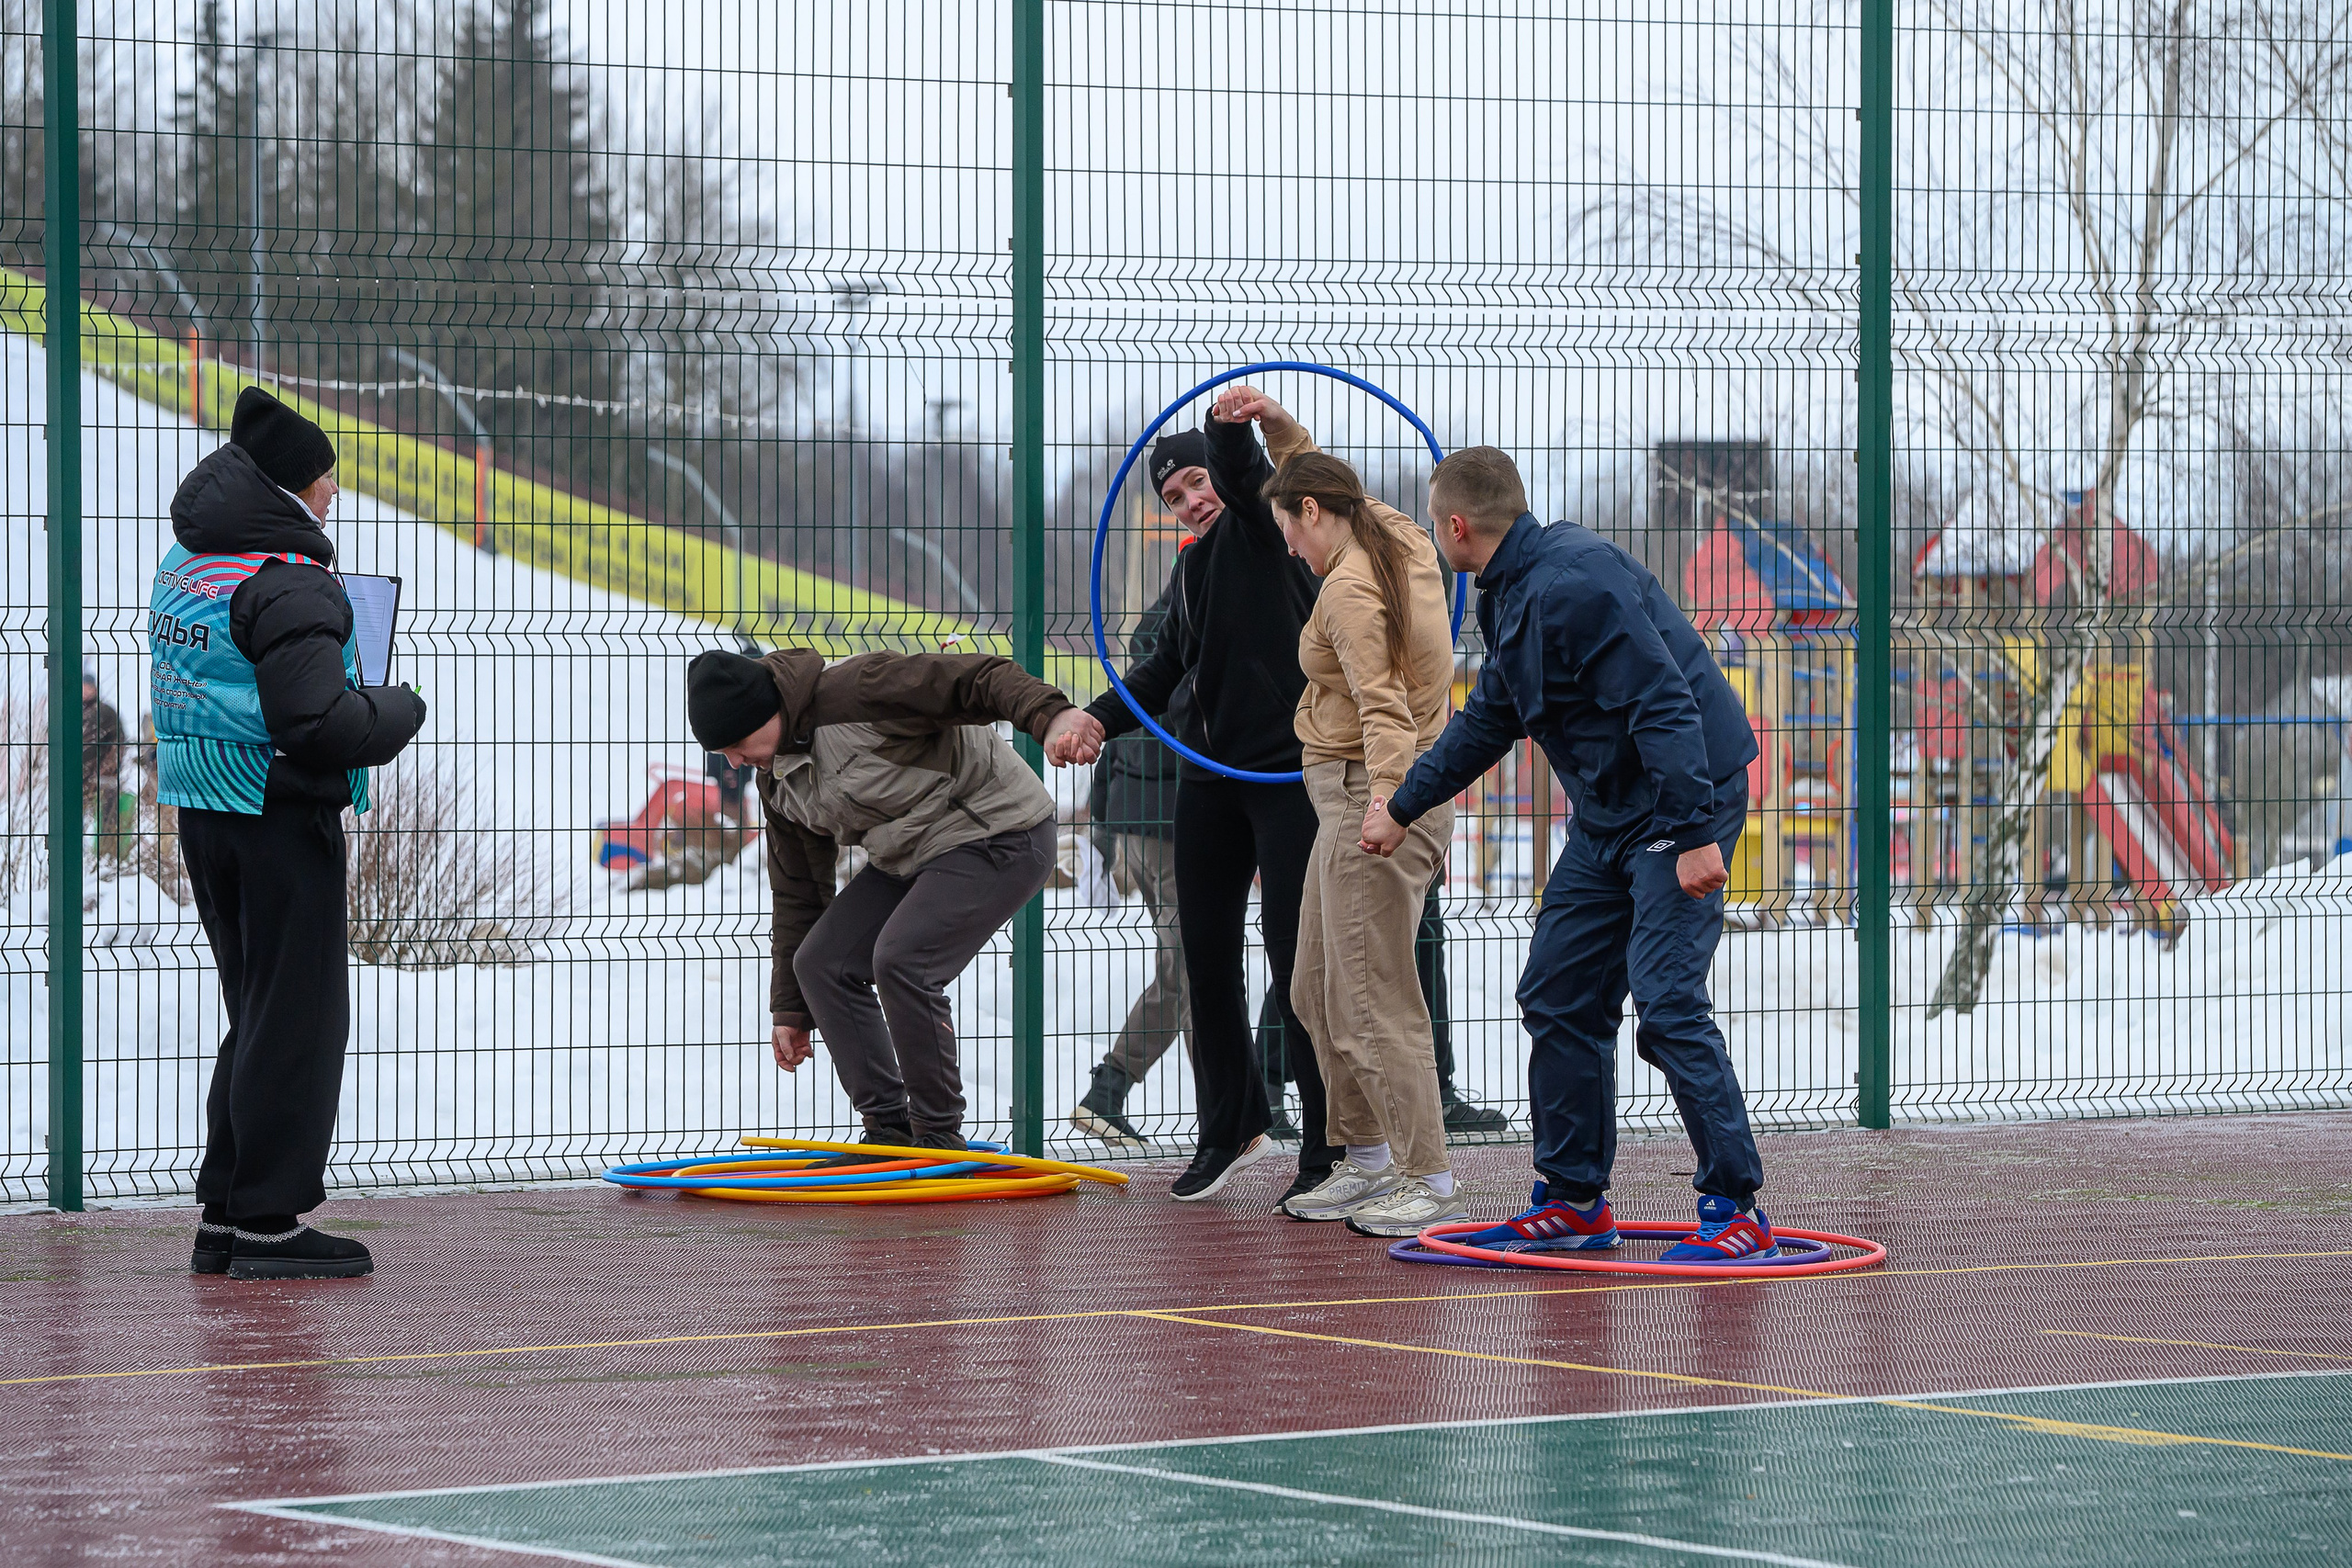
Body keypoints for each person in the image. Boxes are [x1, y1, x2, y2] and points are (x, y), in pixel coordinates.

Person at [1363, 446, 1773, 1261]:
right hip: (1610, 811)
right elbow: (1489, 719)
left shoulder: (1575, 582)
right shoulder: (1509, 595)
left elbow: (1665, 701)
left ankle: (1737, 1207)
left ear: (1456, 525)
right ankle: (1575, 1198)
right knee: (1557, 991)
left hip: (1678, 800)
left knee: (1666, 1002)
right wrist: (1402, 806)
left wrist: (1694, 834)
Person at [158, 387, 428, 1280]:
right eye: (323, 480)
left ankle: (227, 1213)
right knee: (299, 1018)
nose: (333, 495)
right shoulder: (288, 582)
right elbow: (321, 725)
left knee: (256, 1010)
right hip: (279, 814)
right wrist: (395, 707)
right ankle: (271, 1220)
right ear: (287, 488)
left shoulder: (192, 561)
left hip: (207, 808)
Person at [687, 647, 1103, 1154]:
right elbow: (798, 891)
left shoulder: (858, 691)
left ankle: (938, 1136)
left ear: (765, 712)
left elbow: (977, 679)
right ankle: (890, 1128)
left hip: (1000, 831)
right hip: (910, 854)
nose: (734, 761)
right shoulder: (778, 783)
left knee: (903, 960)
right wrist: (791, 1009)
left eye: (736, 743)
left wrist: (1051, 715)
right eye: (722, 753)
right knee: (822, 963)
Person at [1081, 394, 1332, 1203]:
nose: (1192, 499)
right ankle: (1231, 1123)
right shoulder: (1191, 569)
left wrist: (1232, 428)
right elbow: (1156, 676)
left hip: (1288, 773)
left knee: (1296, 956)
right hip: (1211, 777)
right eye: (1175, 496)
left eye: (1197, 481)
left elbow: (1248, 474)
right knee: (1204, 955)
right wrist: (1093, 716)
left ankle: (1327, 1146)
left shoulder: (1266, 532)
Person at [1241, 397, 1464, 1239]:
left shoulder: (1347, 591)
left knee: (1372, 995)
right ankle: (1366, 1158)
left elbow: (1384, 709)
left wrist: (1387, 806)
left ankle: (1429, 1177)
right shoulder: (1388, 527)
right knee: (1314, 986)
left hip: (1372, 788)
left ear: (1309, 515)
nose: (1288, 547)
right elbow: (1326, 480)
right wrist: (1279, 430)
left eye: (1290, 528)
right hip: (1352, 790)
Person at [1071, 567, 1189, 1148]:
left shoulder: (1148, 632)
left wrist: (1104, 820)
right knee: (1192, 970)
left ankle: (1113, 1090)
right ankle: (1233, 1107)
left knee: (1186, 968)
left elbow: (1118, 724)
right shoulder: (1190, 629)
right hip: (1172, 819)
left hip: (1136, 817)